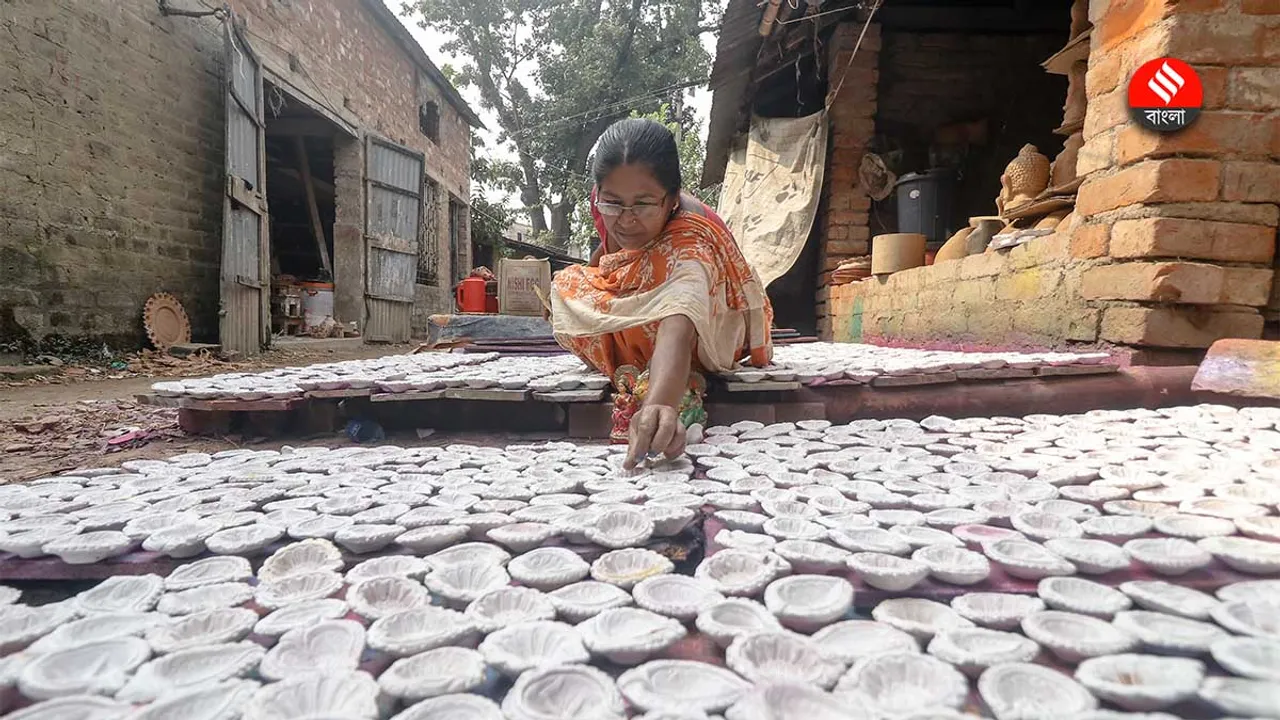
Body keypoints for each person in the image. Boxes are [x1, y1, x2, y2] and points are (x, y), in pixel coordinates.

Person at [550, 118, 774, 469]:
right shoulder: (606, 207)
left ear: (671, 199)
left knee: (672, 309)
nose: (626, 220)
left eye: (642, 205)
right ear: (598, 195)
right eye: (612, 204)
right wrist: (602, 280)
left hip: (707, 325)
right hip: (658, 313)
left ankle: (664, 371)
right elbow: (608, 261)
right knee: (567, 285)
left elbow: (680, 317)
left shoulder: (691, 238)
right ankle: (645, 362)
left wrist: (659, 403)